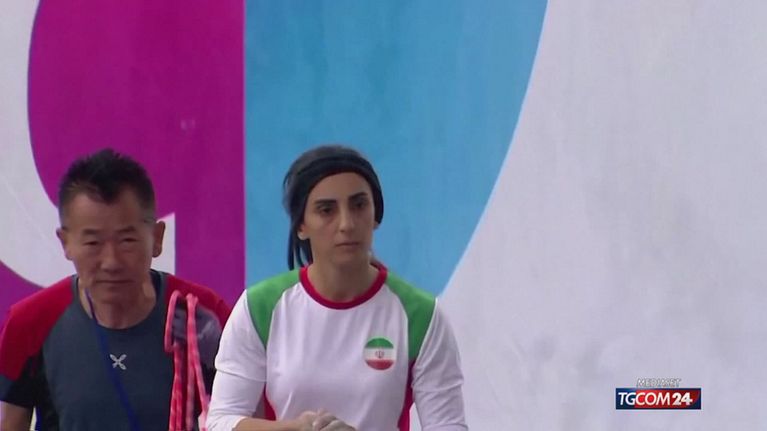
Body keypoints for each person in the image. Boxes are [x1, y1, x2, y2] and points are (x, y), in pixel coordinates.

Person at [207, 145, 467, 431]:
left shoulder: (421, 315)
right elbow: (220, 422)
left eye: (359, 205)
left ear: (376, 215)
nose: (346, 224)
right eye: (326, 210)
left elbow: (448, 426)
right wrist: (294, 429)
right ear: (301, 226)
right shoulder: (260, 308)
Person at [0, 149, 230, 431]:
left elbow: (250, 417)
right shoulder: (30, 322)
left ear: (156, 238)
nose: (111, 262)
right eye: (93, 243)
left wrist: (221, 358)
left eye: (127, 241)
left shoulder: (202, 314)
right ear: (65, 243)